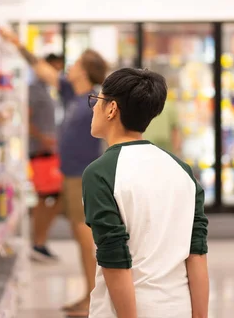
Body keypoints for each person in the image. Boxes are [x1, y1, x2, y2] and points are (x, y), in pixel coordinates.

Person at [83, 67, 209, 318]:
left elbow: (114, 260)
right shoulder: (181, 170)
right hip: (178, 308)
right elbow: (196, 254)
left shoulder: (100, 173)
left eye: (96, 100)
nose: (94, 107)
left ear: (111, 108)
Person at [0, 27, 108, 317]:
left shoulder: (95, 100)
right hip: (71, 174)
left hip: (85, 176)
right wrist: (16, 43)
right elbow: (41, 69)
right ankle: (89, 295)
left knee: (85, 237)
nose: (69, 68)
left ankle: (93, 298)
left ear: (84, 71)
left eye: (75, 65)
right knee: (79, 234)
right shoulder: (72, 92)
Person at [29, 53, 65, 263]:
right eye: (54, 68)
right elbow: (26, 117)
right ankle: (38, 242)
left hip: (50, 151)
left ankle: (40, 241)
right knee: (47, 196)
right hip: (40, 151)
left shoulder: (47, 90)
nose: (57, 73)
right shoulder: (34, 89)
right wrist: (43, 138)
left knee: (53, 197)